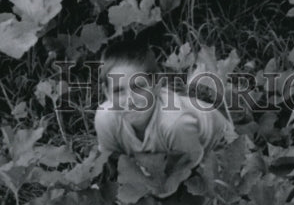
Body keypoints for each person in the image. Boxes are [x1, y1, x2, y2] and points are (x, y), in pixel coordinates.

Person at [94, 38, 235, 164]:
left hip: (220, 148)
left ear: (157, 85)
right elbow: (114, 165)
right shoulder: (105, 119)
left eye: (138, 87)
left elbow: (189, 171)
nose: (130, 100)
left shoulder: (175, 124)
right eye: (119, 91)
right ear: (107, 93)